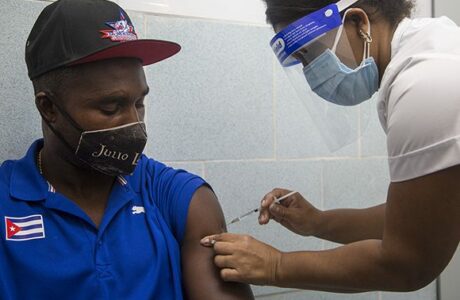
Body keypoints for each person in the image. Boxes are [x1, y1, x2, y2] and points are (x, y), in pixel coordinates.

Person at [0, 0, 254, 299]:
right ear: (49, 107)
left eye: (139, 103)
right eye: (111, 107)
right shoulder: (7, 201)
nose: (134, 124)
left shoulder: (182, 200)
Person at [201, 0, 460, 293]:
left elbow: (407, 262)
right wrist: (317, 222)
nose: (312, 74)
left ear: (359, 23)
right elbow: (414, 220)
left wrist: (275, 265)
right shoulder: (432, 50)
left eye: (309, 54)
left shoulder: (425, 84)